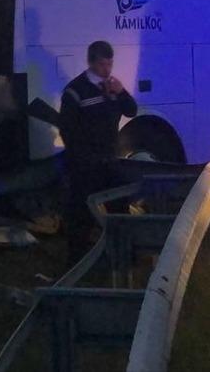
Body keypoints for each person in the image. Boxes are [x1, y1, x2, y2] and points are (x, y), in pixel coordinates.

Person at [58, 40, 138, 262]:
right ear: (91, 63)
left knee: (119, 204)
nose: (107, 70)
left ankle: (123, 253)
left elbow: (131, 110)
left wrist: (121, 92)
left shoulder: (111, 88)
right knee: (80, 212)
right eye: (103, 65)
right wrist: (82, 158)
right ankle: (77, 261)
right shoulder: (75, 91)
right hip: (84, 163)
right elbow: (68, 130)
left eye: (110, 65)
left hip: (108, 159)